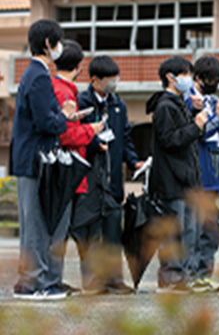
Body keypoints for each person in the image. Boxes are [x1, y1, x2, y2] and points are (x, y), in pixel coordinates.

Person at [11, 20, 76, 300]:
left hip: (33, 159)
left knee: (38, 222)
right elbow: (45, 122)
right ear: (48, 44)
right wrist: (65, 116)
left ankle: (39, 281)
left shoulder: (34, 74)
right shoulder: (38, 76)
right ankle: (32, 283)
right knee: (36, 224)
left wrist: (60, 116)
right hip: (35, 161)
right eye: (57, 41)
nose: (59, 47)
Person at [78, 55, 144, 294]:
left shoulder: (118, 104)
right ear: (95, 80)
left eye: (116, 78)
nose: (114, 83)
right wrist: (94, 145)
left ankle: (115, 279)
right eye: (109, 79)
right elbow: (76, 136)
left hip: (113, 177)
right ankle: (94, 281)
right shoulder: (81, 102)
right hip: (90, 177)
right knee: (92, 232)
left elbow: (125, 137)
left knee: (113, 230)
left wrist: (133, 160)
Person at [145, 56, 208, 293]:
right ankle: (170, 278)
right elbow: (170, 140)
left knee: (189, 231)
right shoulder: (165, 106)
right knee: (175, 232)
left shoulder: (180, 103)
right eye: (184, 74)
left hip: (186, 181)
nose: (188, 79)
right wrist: (196, 125)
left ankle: (182, 276)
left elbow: (186, 139)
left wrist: (196, 121)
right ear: (170, 78)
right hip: (172, 181)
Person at [51, 40, 107, 295]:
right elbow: (66, 135)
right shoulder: (64, 91)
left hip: (63, 169)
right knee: (62, 230)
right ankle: (52, 280)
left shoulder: (56, 86)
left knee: (61, 230)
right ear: (78, 67)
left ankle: (53, 279)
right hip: (68, 170)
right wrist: (91, 130)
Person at [184, 56, 219, 292]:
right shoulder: (188, 101)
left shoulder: (214, 100)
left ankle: (205, 273)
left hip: (218, 163)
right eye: (211, 80)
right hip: (199, 165)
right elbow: (199, 133)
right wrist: (215, 117)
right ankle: (191, 275)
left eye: (218, 80)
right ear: (198, 78)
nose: (215, 84)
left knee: (211, 228)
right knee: (195, 227)